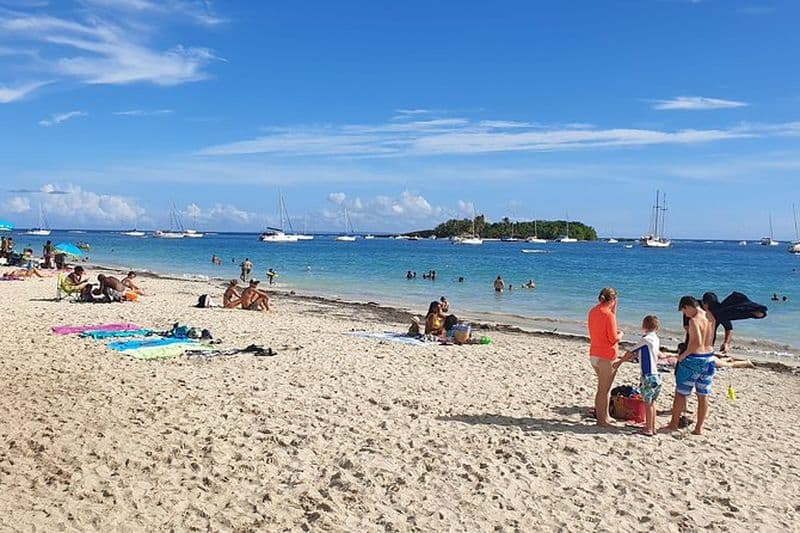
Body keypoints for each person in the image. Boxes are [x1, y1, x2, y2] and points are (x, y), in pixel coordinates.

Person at [667, 296, 715, 435]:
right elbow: (709, 339)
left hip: (695, 359)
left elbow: (696, 344)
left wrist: (682, 356)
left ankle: (673, 425)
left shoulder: (694, 320)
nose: (685, 314)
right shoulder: (709, 316)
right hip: (709, 358)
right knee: (703, 394)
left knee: (681, 393)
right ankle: (699, 428)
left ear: (688, 306)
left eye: (684, 311)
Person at [613, 315, 662, 436]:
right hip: (656, 375)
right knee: (652, 403)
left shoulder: (645, 339)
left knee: (647, 403)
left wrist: (619, 362)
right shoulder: (656, 339)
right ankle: (652, 426)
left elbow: (630, 352)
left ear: (644, 326)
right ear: (657, 327)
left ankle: (648, 429)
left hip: (648, 375)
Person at [587, 287, 624, 427]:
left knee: (605, 388)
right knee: (603, 390)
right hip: (606, 356)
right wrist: (621, 335)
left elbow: (604, 325)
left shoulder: (594, 311)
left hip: (594, 353)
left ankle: (605, 415)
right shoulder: (608, 315)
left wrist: (614, 308)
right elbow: (613, 338)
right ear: (613, 300)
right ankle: (601, 420)